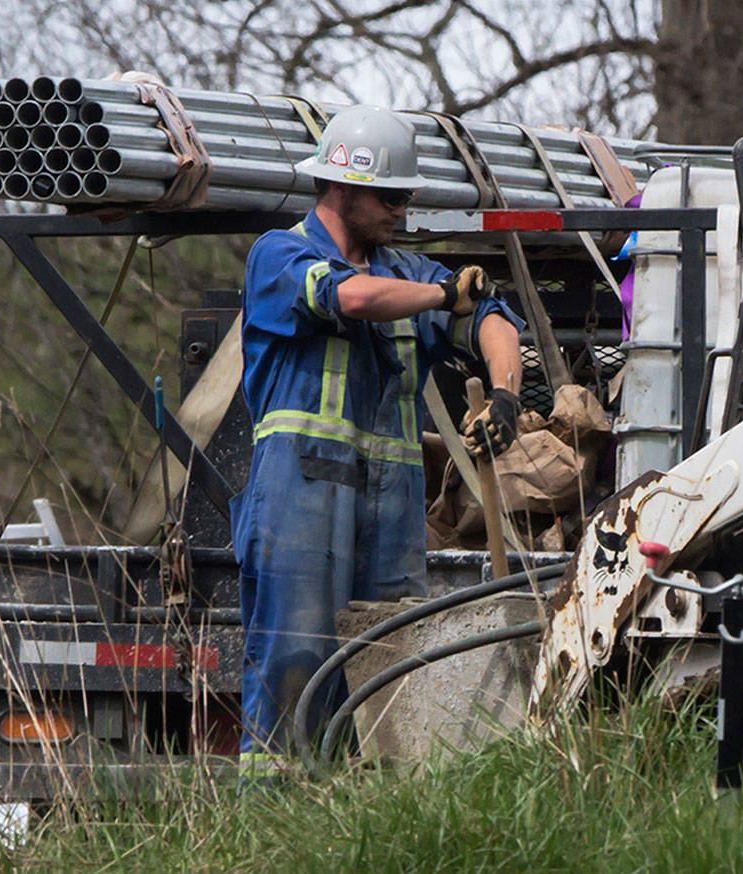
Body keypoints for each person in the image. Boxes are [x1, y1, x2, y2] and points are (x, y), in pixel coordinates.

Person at [232, 105, 525, 769]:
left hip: (391, 509)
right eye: (389, 195)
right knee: (294, 663)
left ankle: (378, 819)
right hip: (298, 498)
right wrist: (442, 294)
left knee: (392, 667)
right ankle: (270, 817)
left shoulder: (411, 271)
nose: (401, 208)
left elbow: (490, 318)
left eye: (406, 196)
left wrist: (504, 395)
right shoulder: (279, 255)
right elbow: (351, 298)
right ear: (340, 188)